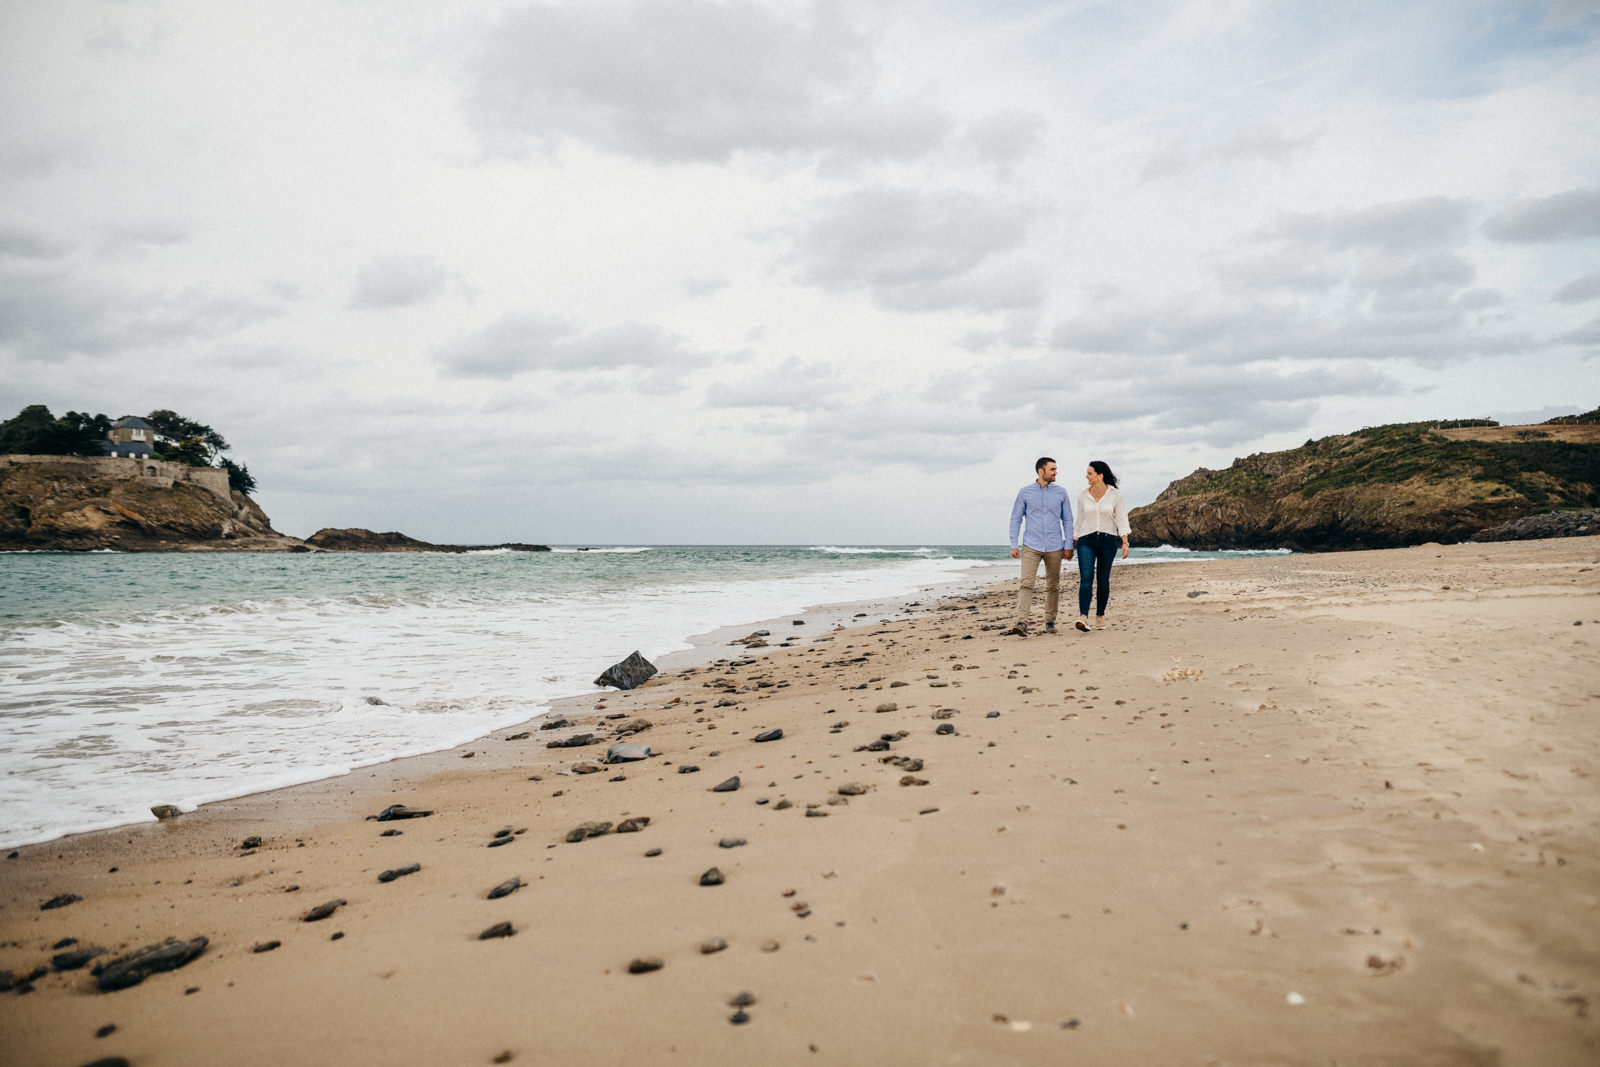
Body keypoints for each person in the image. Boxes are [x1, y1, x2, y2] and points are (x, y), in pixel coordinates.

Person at [1007, 456, 1074, 636]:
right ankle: (1022, 622)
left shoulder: (1061, 492)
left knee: (1053, 585)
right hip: (1031, 544)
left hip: (1054, 545)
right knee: (1027, 583)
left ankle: (1050, 622)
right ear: (1041, 471)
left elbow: (1067, 519)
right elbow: (1016, 518)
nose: (1056, 472)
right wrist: (1014, 543)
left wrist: (1068, 545)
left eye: (1055, 469)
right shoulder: (1025, 492)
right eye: (1052, 469)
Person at [1073, 460, 1131, 631]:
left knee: (1103, 580)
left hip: (1108, 540)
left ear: (1100, 475)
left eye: (1089, 473)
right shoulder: (1082, 496)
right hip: (1086, 540)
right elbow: (1080, 520)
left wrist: (1125, 542)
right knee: (1086, 577)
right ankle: (1083, 616)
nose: (1086, 476)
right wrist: (1072, 543)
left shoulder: (1115, 495)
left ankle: (1100, 615)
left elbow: (1121, 519)